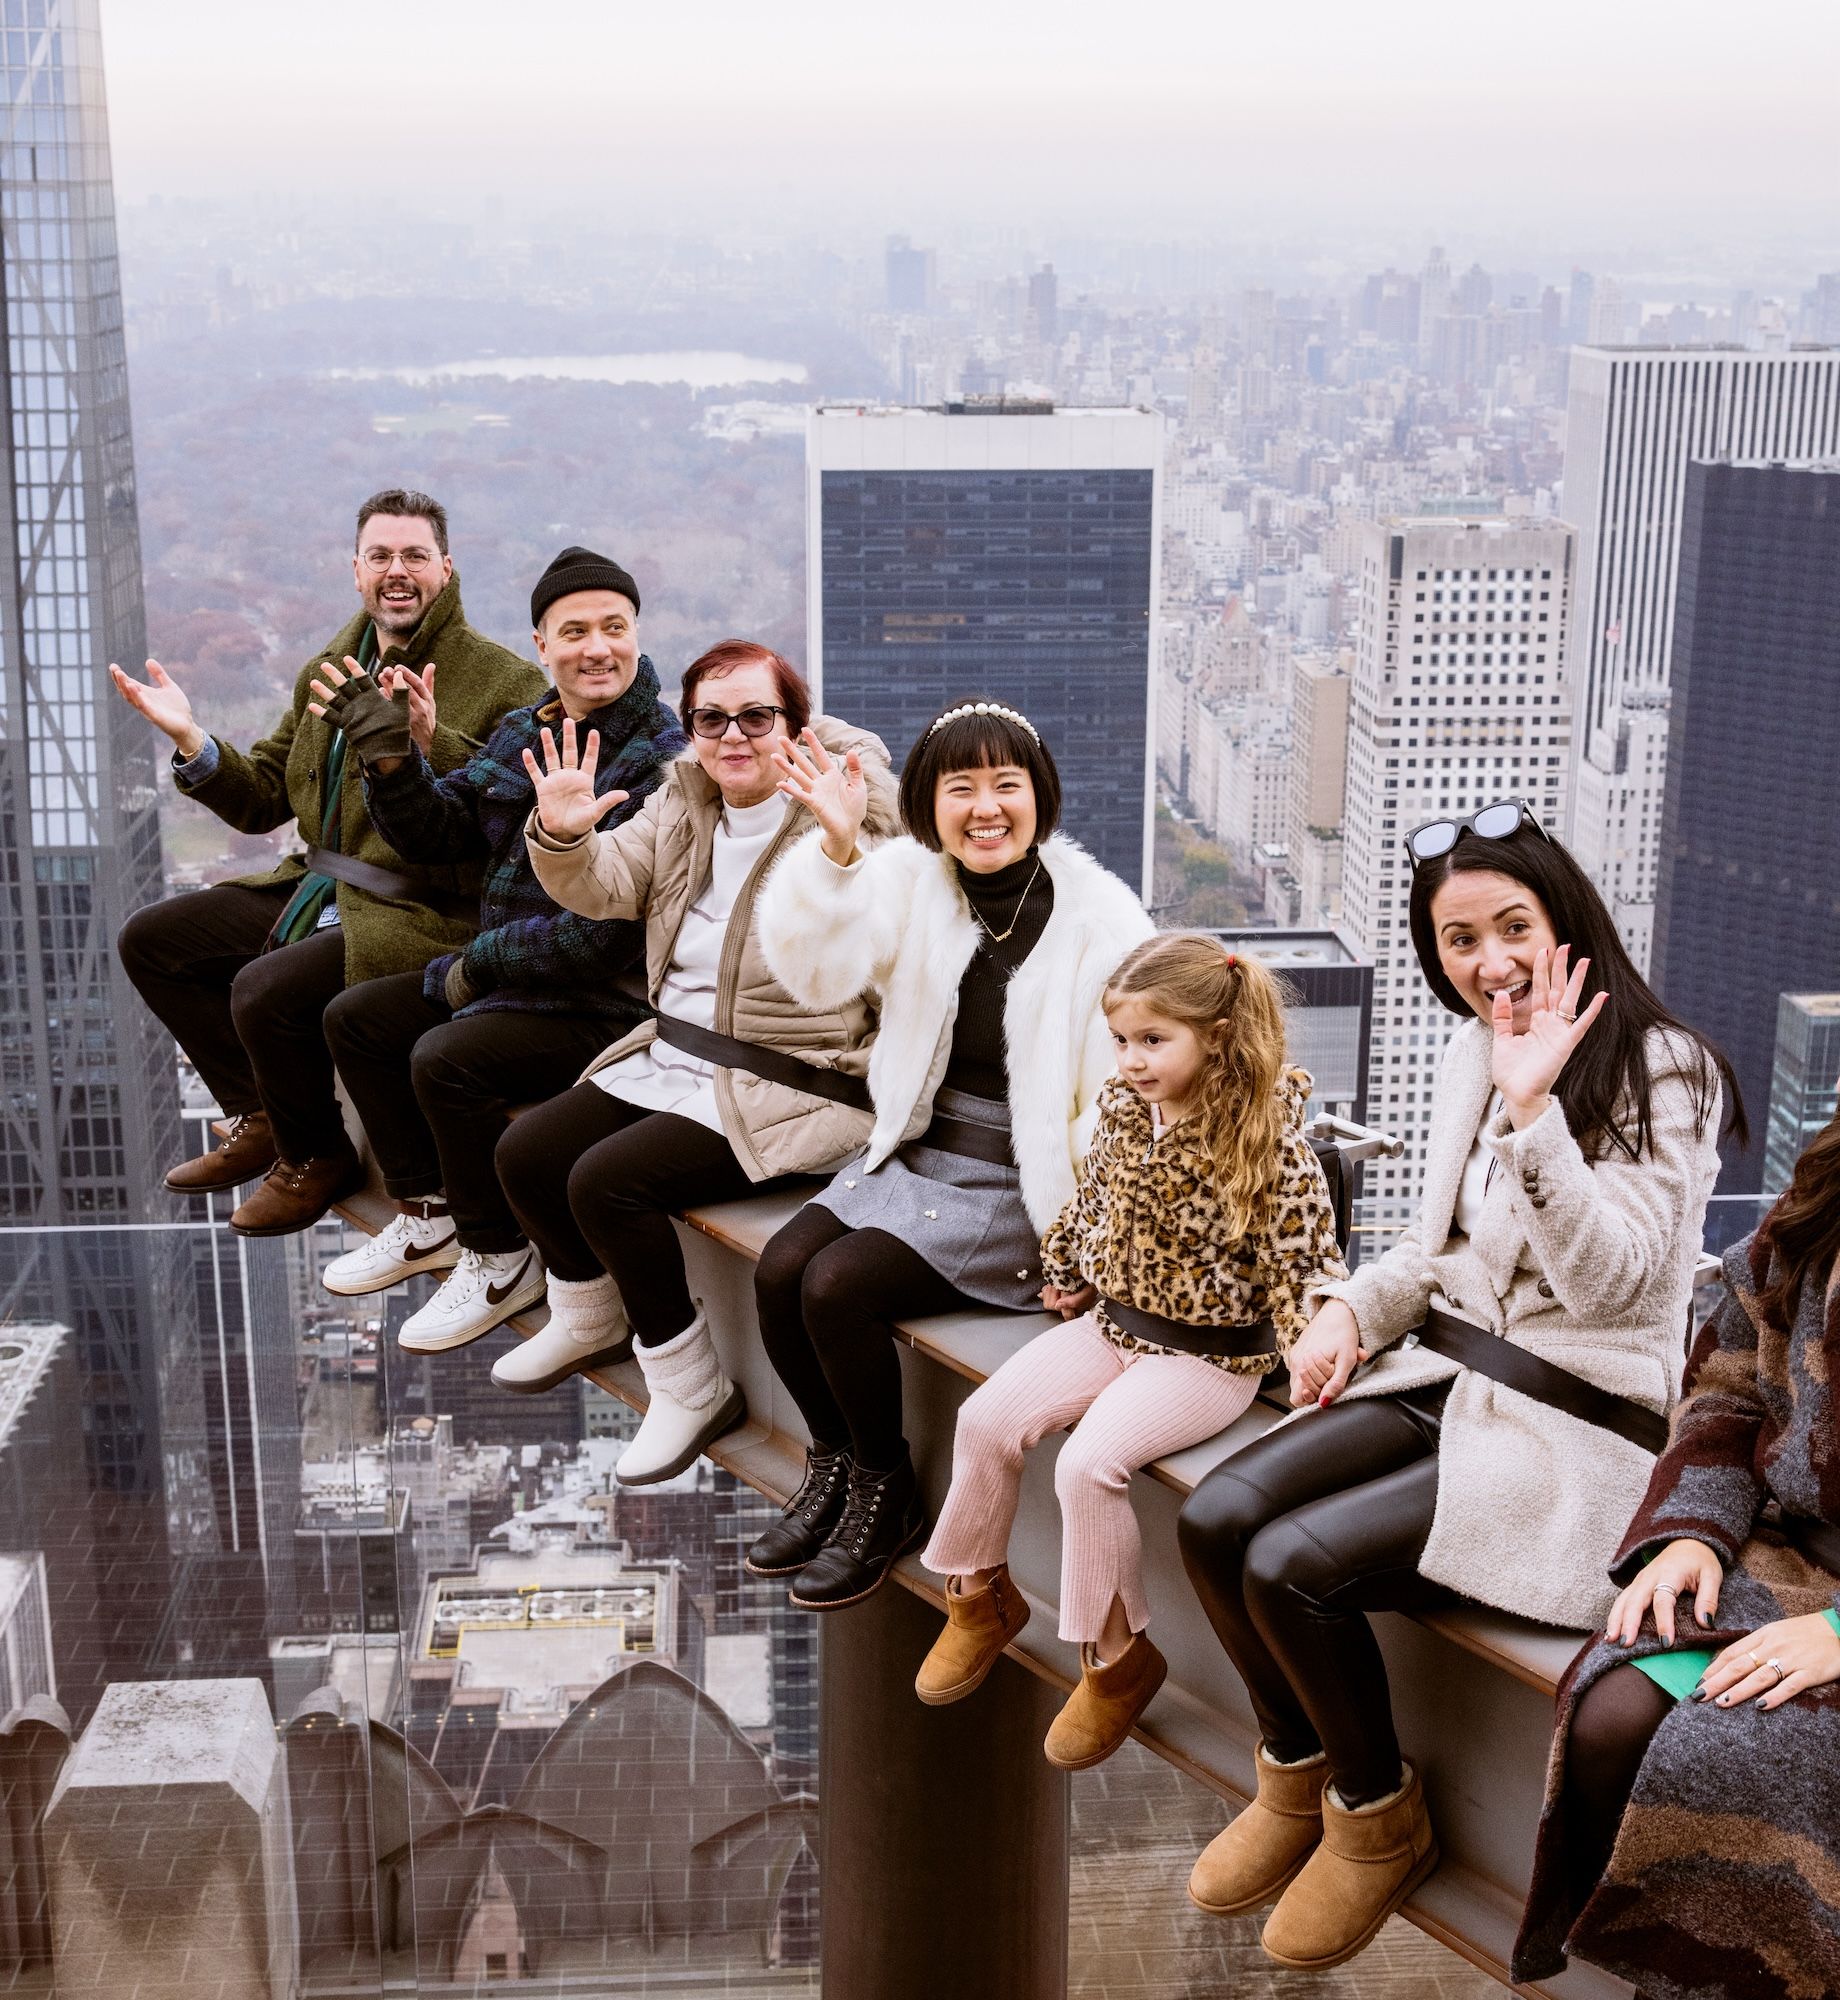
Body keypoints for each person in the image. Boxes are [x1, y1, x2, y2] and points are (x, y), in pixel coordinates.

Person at [1173, 799, 1743, 1975]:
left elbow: (1616, 1286)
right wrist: (1347, 1307)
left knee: (1293, 1567)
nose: (1488, 962)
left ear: (1564, 917)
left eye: (1511, 926)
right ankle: (1296, 1779)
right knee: (1215, 1515)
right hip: (1449, 1377)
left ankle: (1378, 1815)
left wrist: (1537, 1112)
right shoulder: (1466, 1047)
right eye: (1457, 940)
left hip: (1569, 1428)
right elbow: (1439, 1255)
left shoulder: (1662, 1066)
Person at [743, 700, 1154, 1612]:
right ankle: (836, 1464)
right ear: (928, 803)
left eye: (1007, 785)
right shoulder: (909, 880)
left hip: (1026, 1179)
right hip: (915, 1146)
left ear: (1040, 798)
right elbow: (814, 975)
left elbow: (1132, 1101)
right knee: (778, 1272)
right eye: (960, 787)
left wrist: (1094, 1247)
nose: (985, 808)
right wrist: (839, 856)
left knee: (836, 1286)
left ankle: (885, 1491)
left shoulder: (1106, 920)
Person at [914, 933, 1347, 1770]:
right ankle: (976, 1599)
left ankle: (1117, 1660)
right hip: (1116, 1325)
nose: (1133, 1060)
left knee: (1087, 1469)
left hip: (1207, 1356)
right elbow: (1098, 1203)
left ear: (1215, 1036)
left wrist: (1310, 1358)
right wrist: (1068, 1266)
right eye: (1121, 1040)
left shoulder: (1260, 1136)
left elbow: (1304, 1264)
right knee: (986, 1419)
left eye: (1154, 1041)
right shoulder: (1123, 1108)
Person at [496, 641, 898, 1488]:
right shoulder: (685, 800)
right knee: (525, 1154)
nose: (734, 736)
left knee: (606, 1182)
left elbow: (896, 942)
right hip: (676, 1054)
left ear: (796, 722)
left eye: (758, 716)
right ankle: (590, 1315)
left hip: (790, 1080)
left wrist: (843, 845)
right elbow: (610, 883)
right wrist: (564, 835)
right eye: (711, 719)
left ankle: (689, 1387)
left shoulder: (853, 803)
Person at [113, 488, 543, 1234]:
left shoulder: (507, 682)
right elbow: (261, 802)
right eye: (380, 556)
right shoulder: (330, 665)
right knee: (153, 941)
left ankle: (315, 1156)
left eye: (414, 556)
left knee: (264, 990)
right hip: (321, 886)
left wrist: (428, 741)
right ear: (356, 571)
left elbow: (508, 820)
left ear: (447, 567)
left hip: (419, 908)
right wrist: (190, 740)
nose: (397, 571)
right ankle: (260, 1114)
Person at [314, 548, 686, 1351]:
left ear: (637, 637)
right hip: (515, 988)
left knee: (447, 1060)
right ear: (542, 646)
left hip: (604, 1008)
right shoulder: (530, 728)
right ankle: (431, 1213)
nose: (598, 648)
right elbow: (438, 833)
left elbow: (600, 939)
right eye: (575, 631)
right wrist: (390, 760)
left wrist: (472, 968)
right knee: (356, 1021)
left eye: (615, 628)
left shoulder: (662, 758)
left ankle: (500, 1254)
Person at [1513, 1095, 1840, 2000]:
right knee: (1609, 1711)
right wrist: (1692, 1530)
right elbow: (1728, 1388)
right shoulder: (1821, 1203)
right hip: (1792, 1554)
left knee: (1741, 1754)